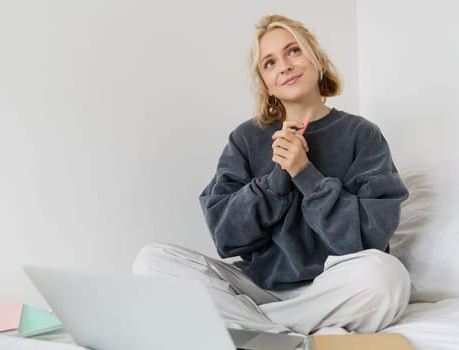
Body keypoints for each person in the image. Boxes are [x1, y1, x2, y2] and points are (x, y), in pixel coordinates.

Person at [132, 14, 410, 335]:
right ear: (266, 83)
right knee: (151, 262)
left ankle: (256, 330)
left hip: (333, 285)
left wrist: (304, 173)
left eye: (294, 51)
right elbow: (226, 236)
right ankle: (287, 330)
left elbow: (369, 238)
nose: (284, 66)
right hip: (257, 287)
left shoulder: (362, 135)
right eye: (269, 63)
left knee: (388, 278)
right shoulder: (245, 139)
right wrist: (275, 180)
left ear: (317, 59)